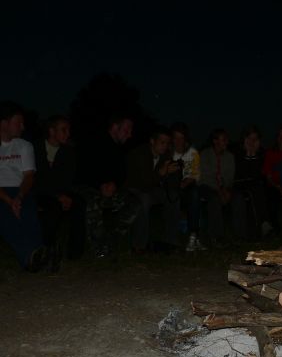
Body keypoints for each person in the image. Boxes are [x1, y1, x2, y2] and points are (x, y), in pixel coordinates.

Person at [79, 114, 140, 257]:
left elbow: (122, 174)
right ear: (114, 127)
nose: (130, 135)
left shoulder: (119, 149)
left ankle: (111, 241)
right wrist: (100, 185)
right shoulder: (92, 142)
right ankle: (98, 249)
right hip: (88, 188)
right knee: (92, 203)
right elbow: (83, 171)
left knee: (134, 202)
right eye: (126, 130)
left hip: (110, 190)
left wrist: (114, 184)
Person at [34, 115, 86, 270]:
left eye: (68, 130)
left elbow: (67, 179)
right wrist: (57, 196)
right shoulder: (35, 148)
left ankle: (74, 253)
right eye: (63, 130)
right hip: (39, 192)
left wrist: (64, 196)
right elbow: (35, 179)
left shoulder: (68, 152)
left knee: (79, 203)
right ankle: (48, 249)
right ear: (51, 131)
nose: (67, 133)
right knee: (53, 207)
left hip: (61, 191)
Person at [0, 101, 46, 271]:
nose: (23, 126)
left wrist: (19, 196)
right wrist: (8, 200)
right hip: (0, 191)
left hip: (20, 189)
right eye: (18, 122)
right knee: (6, 216)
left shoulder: (24, 146)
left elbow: (28, 176)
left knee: (28, 212)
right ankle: (31, 256)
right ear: (4, 123)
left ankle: (37, 255)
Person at [126, 126, 181, 252]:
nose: (165, 146)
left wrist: (173, 173)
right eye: (162, 142)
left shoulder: (165, 155)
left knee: (173, 197)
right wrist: (162, 173)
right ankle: (139, 245)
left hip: (151, 189)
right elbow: (143, 182)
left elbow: (168, 182)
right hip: (133, 189)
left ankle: (170, 241)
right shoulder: (139, 153)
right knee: (143, 200)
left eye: (167, 143)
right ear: (152, 141)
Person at [231, 126, 272, 240]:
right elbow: (240, 174)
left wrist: (253, 155)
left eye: (255, 139)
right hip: (239, 184)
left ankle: (261, 227)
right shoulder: (237, 152)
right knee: (254, 188)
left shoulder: (262, 153)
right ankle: (263, 223)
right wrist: (248, 155)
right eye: (249, 138)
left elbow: (258, 174)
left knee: (257, 188)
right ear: (244, 139)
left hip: (255, 185)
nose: (251, 142)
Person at [170, 122, 205, 252]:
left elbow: (196, 174)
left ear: (186, 139)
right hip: (173, 187)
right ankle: (173, 237)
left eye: (181, 138)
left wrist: (184, 183)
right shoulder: (169, 153)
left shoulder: (193, 152)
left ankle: (193, 235)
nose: (178, 141)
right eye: (175, 137)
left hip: (189, 185)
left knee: (195, 193)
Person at [198, 128, 235, 246]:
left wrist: (226, 189)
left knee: (236, 198)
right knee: (214, 198)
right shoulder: (205, 154)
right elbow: (205, 176)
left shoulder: (230, 157)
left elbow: (230, 177)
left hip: (222, 187)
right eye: (223, 140)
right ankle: (217, 236)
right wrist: (219, 190)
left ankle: (240, 234)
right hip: (206, 186)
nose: (226, 142)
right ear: (215, 141)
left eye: (226, 140)